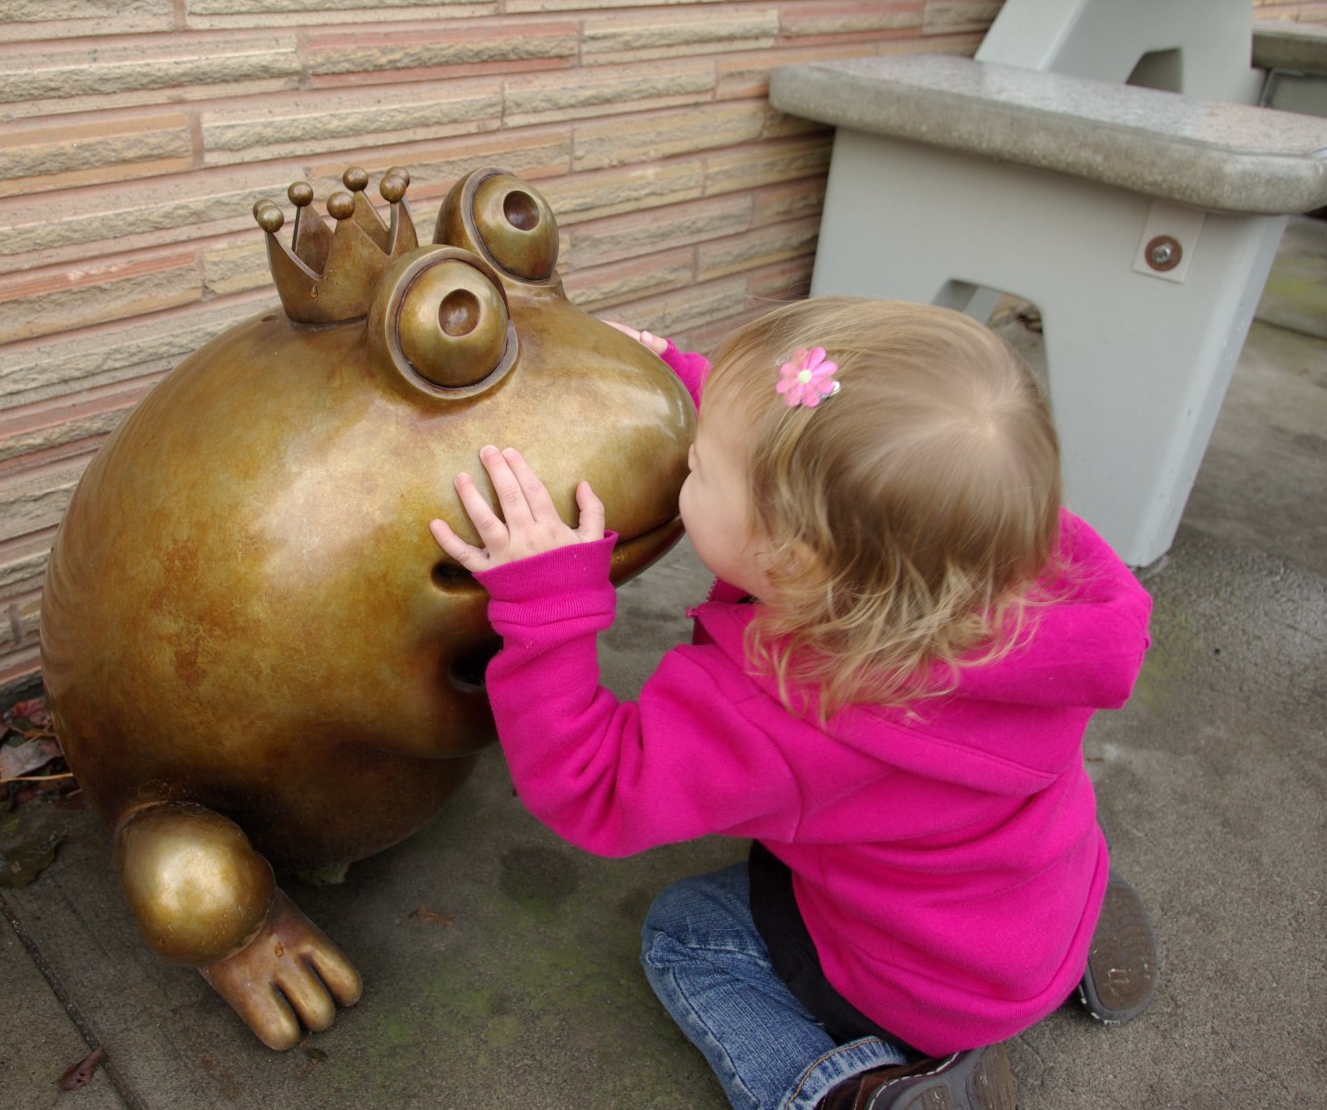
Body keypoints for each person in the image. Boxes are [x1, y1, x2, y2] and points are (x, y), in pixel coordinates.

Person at [428, 297, 1157, 1110]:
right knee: (982, 844)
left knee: (684, 933)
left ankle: (850, 1090)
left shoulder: (781, 712)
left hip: (920, 984)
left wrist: (546, 606)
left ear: (791, 557)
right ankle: (1061, 956)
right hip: (1029, 901)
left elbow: (595, 788)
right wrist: (684, 384)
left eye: (699, 464)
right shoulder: (997, 558)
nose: (687, 465)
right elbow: (837, 474)